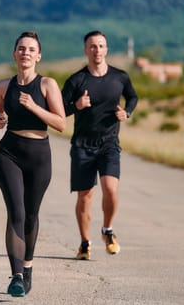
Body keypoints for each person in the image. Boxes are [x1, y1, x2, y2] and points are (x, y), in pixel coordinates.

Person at [0, 31, 66, 296]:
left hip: (39, 154)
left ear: (39, 56)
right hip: (9, 152)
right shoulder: (4, 85)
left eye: (31, 49)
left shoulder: (47, 85)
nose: (26, 53)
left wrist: (35, 107)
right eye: (21, 49)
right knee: (17, 213)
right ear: (14, 54)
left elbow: (60, 123)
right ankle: (17, 276)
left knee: (31, 215)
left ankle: (28, 265)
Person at [61, 30, 138, 261]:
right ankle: (85, 243)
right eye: (92, 46)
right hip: (83, 145)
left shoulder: (120, 77)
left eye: (101, 46)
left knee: (111, 190)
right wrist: (77, 104)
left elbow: (133, 97)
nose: (97, 50)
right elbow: (60, 110)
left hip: (109, 143)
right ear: (86, 50)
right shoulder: (76, 80)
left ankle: (108, 230)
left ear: (107, 49)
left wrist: (127, 112)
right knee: (85, 196)